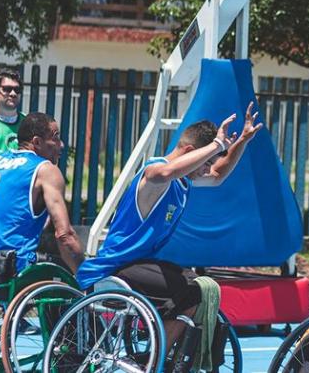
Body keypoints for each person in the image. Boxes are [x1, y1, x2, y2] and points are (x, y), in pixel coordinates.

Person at [76, 103, 262, 353]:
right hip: (115, 268)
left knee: (199, 285)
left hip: (139, 266)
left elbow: (218, 175)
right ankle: (156, 360)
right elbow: (164, 173)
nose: (207, 169)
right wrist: (217, 144)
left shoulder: (184, 181)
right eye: (205, 161)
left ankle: (163, 355)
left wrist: (243, 141)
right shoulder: (155, 172)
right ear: (190, 152)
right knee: (192, 291)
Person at [0, 112, 84, 274]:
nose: (61, 145)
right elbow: (64, 235)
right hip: (7, 265)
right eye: (55, 137)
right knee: (70, 262)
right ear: (37, 142)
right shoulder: (45, 170)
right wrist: (87, 277)